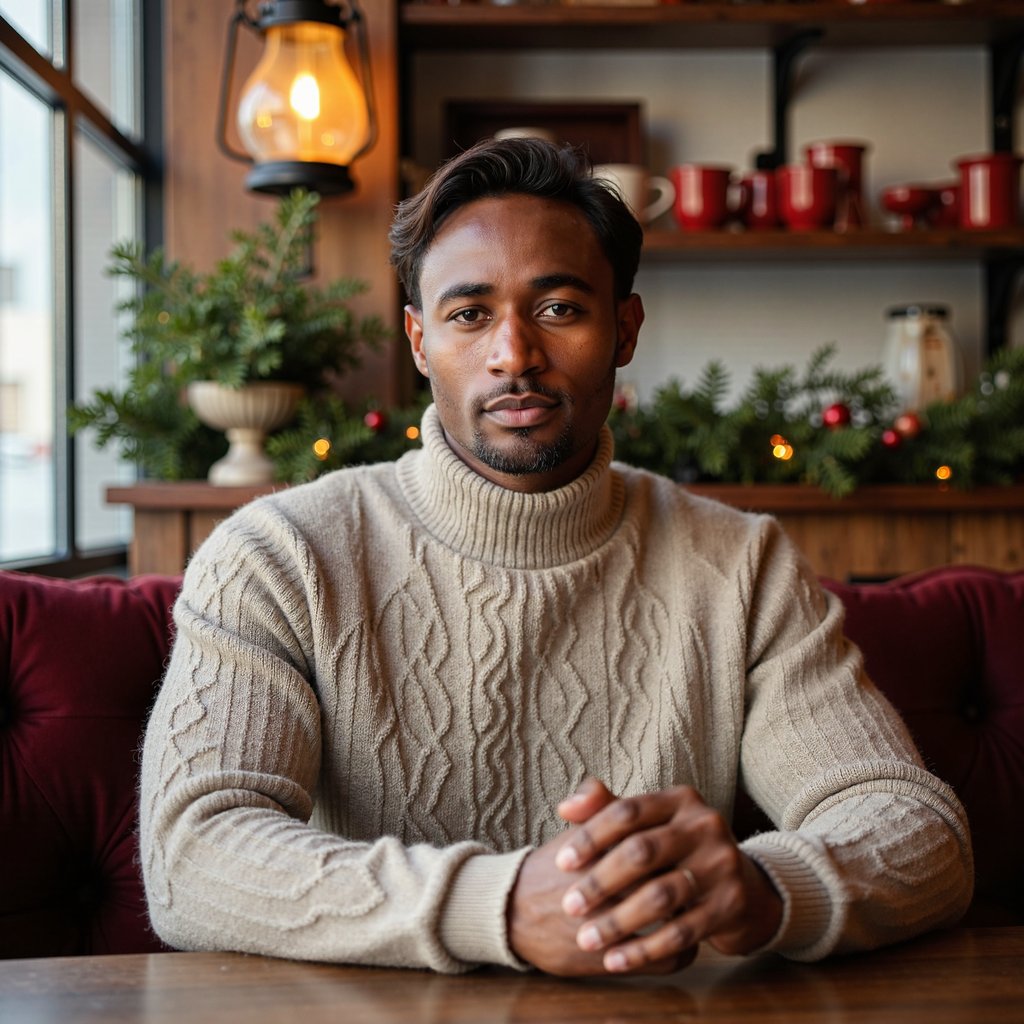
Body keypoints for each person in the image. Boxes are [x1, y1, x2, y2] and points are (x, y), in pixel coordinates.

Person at [139, 137, 972, 977]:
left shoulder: (742, 565)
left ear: (624, 328)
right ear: (421, 343)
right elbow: (191, 857)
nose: (514, 355)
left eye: (559, 308)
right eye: (469, 315)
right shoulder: (280, 556)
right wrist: (495, 906)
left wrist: (764, 887)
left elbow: (914, 827)